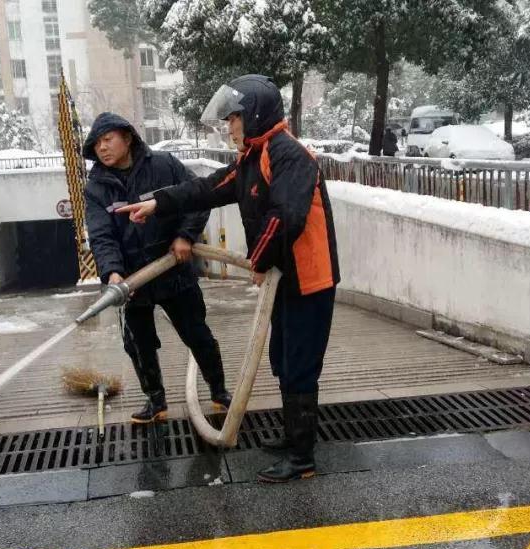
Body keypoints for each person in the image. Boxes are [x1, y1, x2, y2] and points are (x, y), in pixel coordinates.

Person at [117, 75, 341, 483]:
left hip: (309, 280)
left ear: (254, 114)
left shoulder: (289, 155)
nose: (229, 126)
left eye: (234, 118)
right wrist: (156, 204)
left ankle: (302, 458)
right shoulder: (252, 158)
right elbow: (206, 189)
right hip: (284, 279)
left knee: (299, 364)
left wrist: (258, 261)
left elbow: (285, 218)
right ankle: (294, 439)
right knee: (283, 359)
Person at [83, 112, 231, 424]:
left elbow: (197, 198)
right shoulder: (96, 189)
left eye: (107, 140)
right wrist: (113, 273)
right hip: (132, 281)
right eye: (96, 144)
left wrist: (185, 236)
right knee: (138, 344)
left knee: (197, 334)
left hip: (173, 269)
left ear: (127, 138)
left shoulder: (164, 166)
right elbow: (101, 235)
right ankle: (155, 401)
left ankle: (219, 392)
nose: (102, 148)